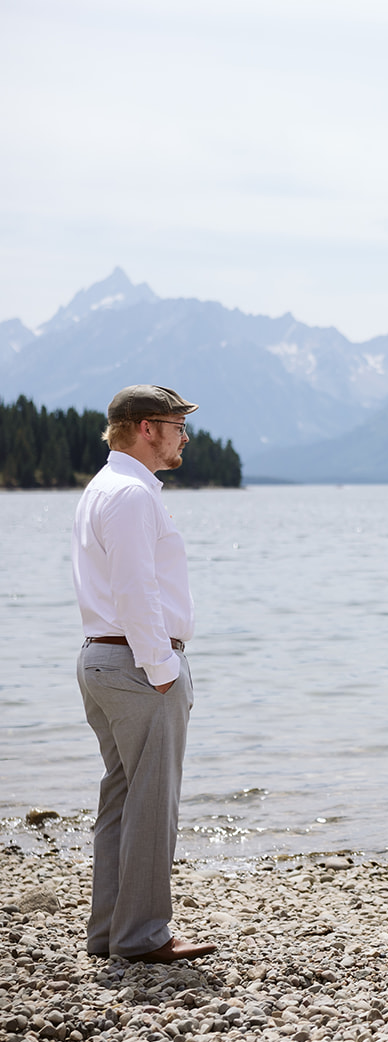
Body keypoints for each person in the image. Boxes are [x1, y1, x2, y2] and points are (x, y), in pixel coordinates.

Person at [72, 385, 217, 963]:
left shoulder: (104, 488)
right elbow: (137, 587)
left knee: (123, 799)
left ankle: (111, 932)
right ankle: (141, 937)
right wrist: (161, 667)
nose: (185, 435)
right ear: (146, 428)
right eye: (178, 425)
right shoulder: (132, 494)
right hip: (136, 664)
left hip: (102, 657)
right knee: (152, 802)